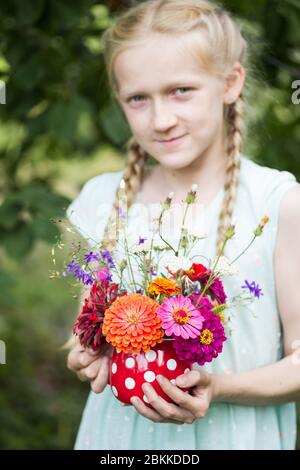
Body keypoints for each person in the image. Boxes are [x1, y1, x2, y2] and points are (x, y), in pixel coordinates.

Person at [65, 0, 300, 450]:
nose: (161, 120)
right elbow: (87, 329)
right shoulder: (106, 199)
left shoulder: (279, 204)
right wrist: (86, 356)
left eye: (181, 91)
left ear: (230, 83)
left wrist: (218, 387)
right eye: (138, 98)